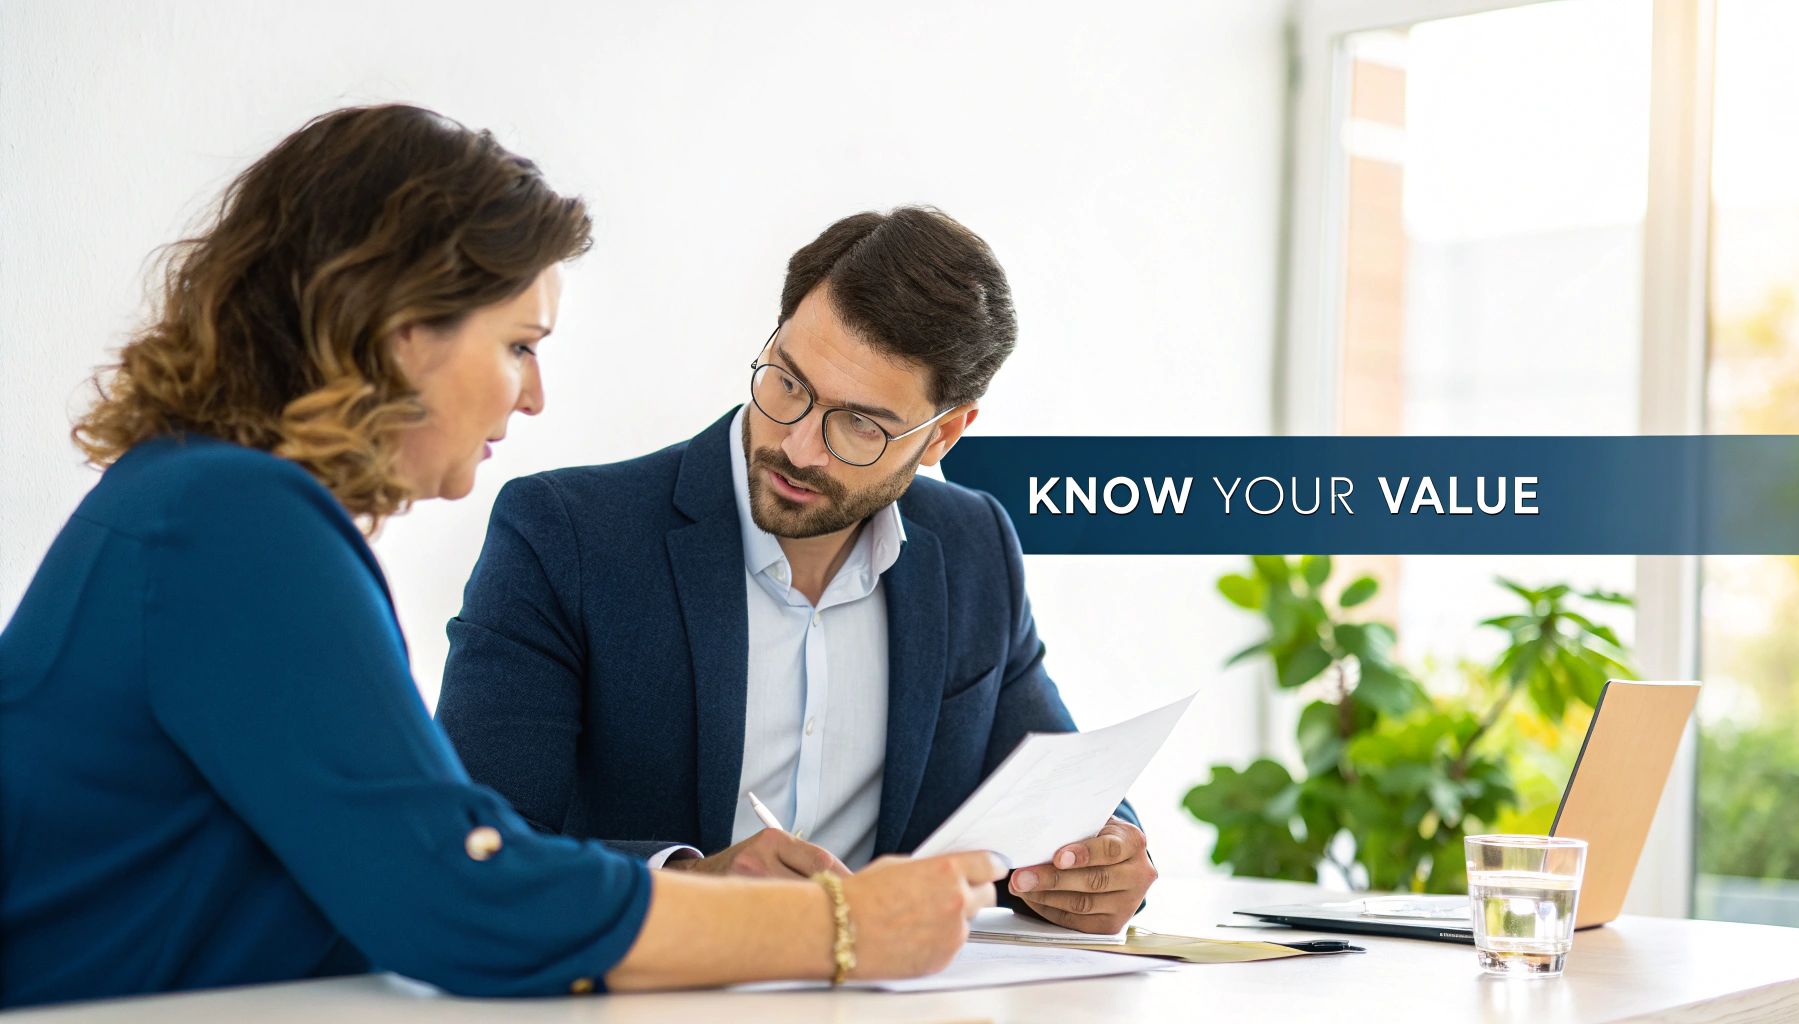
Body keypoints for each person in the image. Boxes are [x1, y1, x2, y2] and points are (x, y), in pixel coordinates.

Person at [0, 105, 1005, 1011]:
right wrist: (843, 928)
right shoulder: (233, 523)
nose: (532, 398)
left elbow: (411, 870)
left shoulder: (203, 501)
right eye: (519, 345)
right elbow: (459, 892)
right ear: (400, 337)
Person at [437, 207, 1158, 935]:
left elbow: (1054, 782)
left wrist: (1103, 853)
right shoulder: (565, 536)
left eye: (860, 425)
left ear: (943, 434)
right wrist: (693, 883)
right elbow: (473, 850)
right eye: (787, 383)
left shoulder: (973, 549)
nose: (800, 447)